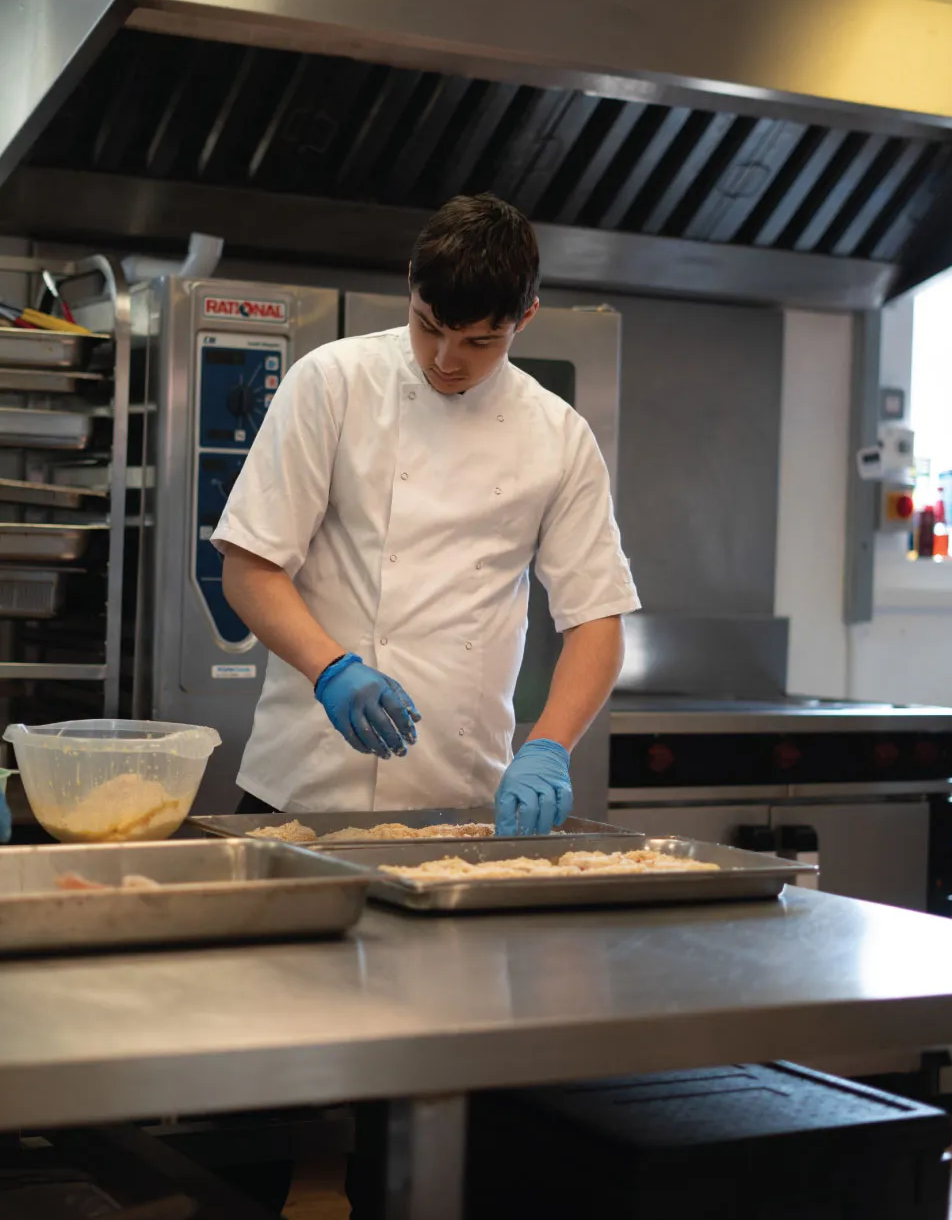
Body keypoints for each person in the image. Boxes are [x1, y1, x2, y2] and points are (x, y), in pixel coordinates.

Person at [214, 193, 639, 838]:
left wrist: (550, 745)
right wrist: (332, 669)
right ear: (410, 286)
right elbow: (249, 569)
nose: (445, 358)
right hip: (303, 783)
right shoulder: (332, 382)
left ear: (525, 317)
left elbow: (596, 619)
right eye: (427, 325)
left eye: (479, 341)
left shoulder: (558, 434)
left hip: (462, 796)